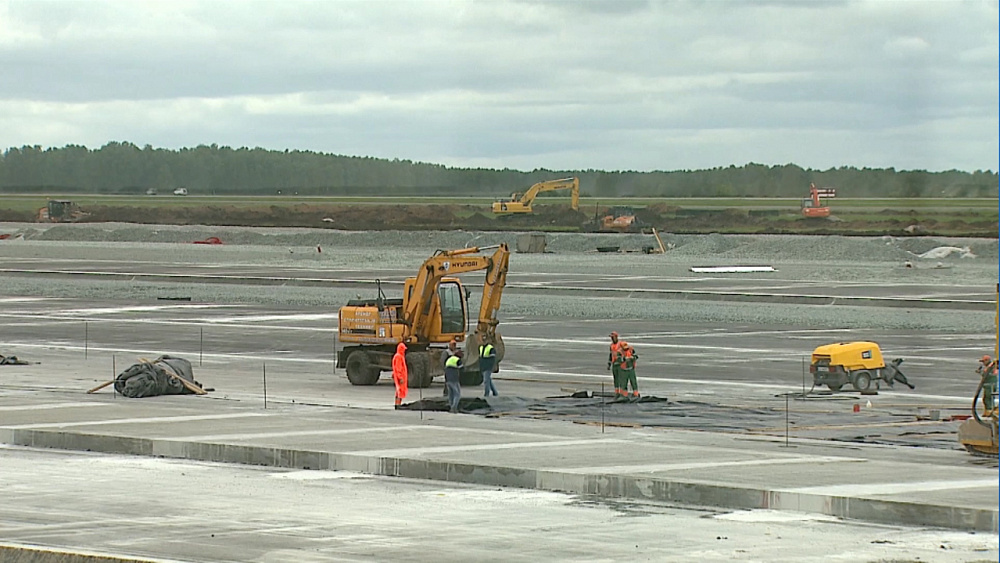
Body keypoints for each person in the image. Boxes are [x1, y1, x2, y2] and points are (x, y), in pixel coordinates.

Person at [607, 331, 624, 399]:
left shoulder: (620, 344)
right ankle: (617, 393)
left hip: (620, 364)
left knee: (621, 378)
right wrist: (609, 364)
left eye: (613, 337)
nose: (612, 339)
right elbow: (611, 355)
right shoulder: (611, 345)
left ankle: (622, 392)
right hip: (614, 364)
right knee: (615, 379)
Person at [392, 342, 408, 409]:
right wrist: (400, 377)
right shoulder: (399, 357)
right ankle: (398, 405)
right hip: (400, 377)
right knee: (400, 391)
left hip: (400, 376)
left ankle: (398, 404)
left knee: (399, 391)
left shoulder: (399, 356)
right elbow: (398, 368)